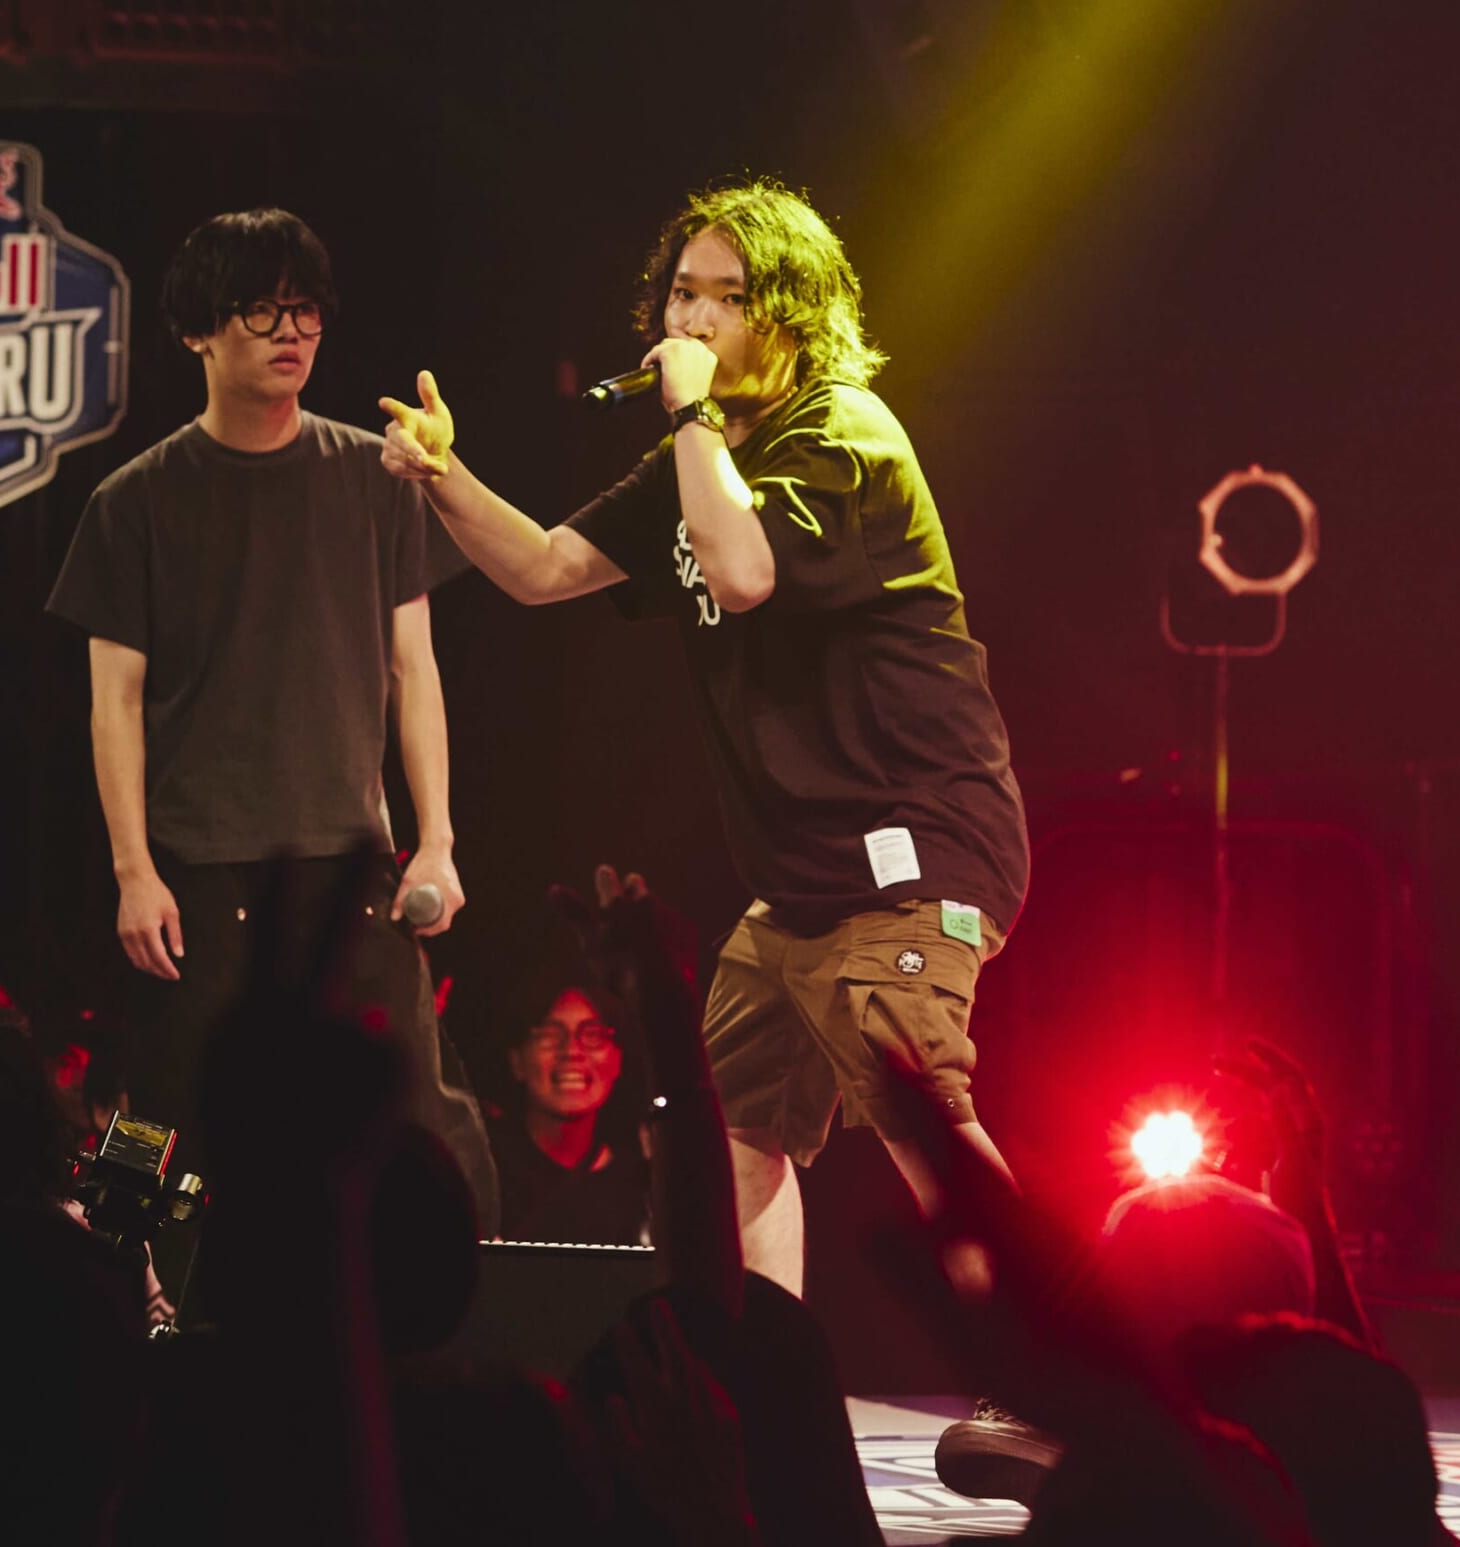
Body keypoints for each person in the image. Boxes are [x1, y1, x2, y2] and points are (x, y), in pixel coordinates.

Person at [380, 179, 1028, 1286]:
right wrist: (445, 478)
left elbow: (741, 574)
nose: (693, 319)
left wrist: (689, 418)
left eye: (727, 297)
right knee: (726, 1133)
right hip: (801, 881)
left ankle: (1043, 1352)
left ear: (792, 315)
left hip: (909, 850)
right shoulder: (702, 459)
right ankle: (750, 1358)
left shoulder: (842, 432)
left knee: (922, 1108)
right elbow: (543, 569)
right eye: (683, 293)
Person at [48, 207, 495, 1231]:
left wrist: (435, 841)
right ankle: (131, 1298)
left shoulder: (376, 475)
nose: (291, 332)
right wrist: (132, 870)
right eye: (260, 311)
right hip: (195, 869)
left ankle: (450, 1300)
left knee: (419, 1114)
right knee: (161, 1127)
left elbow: (413, 669)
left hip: (351, 864)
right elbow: (113, 702)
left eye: (305, 311)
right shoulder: (134, 500)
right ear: (198, 331)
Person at [489, 978, 650, 1245]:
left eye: (594, 1035)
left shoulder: (647, 1188)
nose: (572, 1051)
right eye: (549, 1035)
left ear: (619, 1060)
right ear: (516, 1061)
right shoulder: (481, 1171)